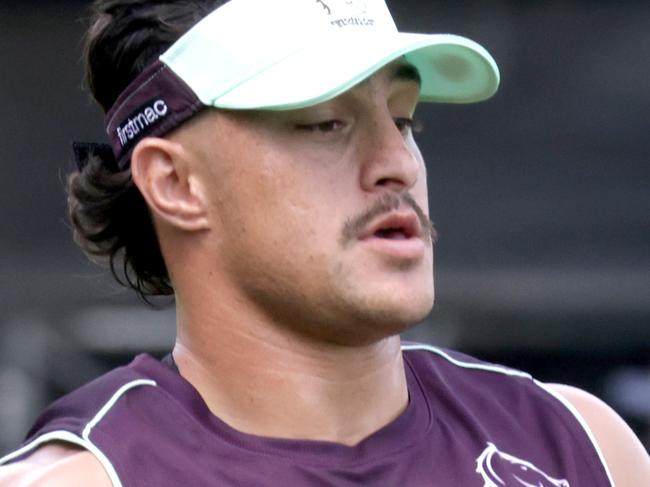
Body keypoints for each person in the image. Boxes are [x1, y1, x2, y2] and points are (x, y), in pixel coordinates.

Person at [1, 0, 649, 485]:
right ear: (175, 183)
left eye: (404, 118)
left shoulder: (581, 446)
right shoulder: (87, 478)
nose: (397, 162)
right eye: (324, 123)